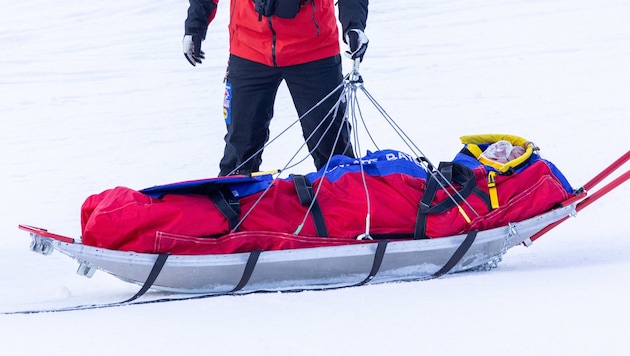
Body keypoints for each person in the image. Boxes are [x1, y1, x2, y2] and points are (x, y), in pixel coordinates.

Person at [183, 0, 370, 176]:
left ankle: (345, 200)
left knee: (331, 144)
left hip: (314, 50)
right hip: (248, 48)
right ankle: (233, 200)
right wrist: (195, 26)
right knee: (240, 148)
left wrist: (354, 25)